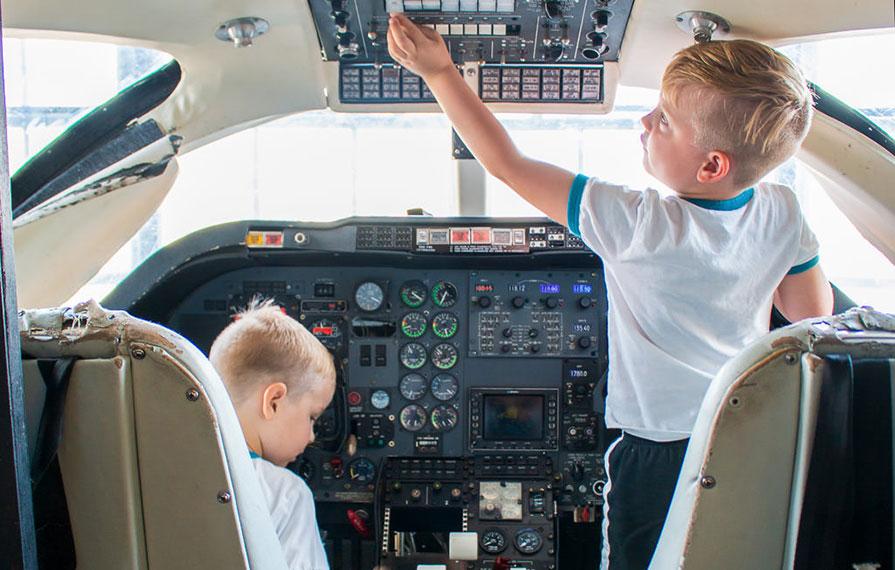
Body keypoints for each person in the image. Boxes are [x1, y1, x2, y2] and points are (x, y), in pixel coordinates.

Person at [386, 14, 833, 569]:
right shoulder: (784, 212)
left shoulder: (633, 222)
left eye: (664, 120)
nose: (645, 121)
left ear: (713, 164)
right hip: (743, 434)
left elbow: (506, 164)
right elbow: (809, 316)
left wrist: (440, 72)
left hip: (655, 452)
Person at [209, 300, 336, 570]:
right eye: (312, 417)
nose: (312, 436)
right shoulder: (286, 494)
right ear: (274, 401)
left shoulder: (160, 472)